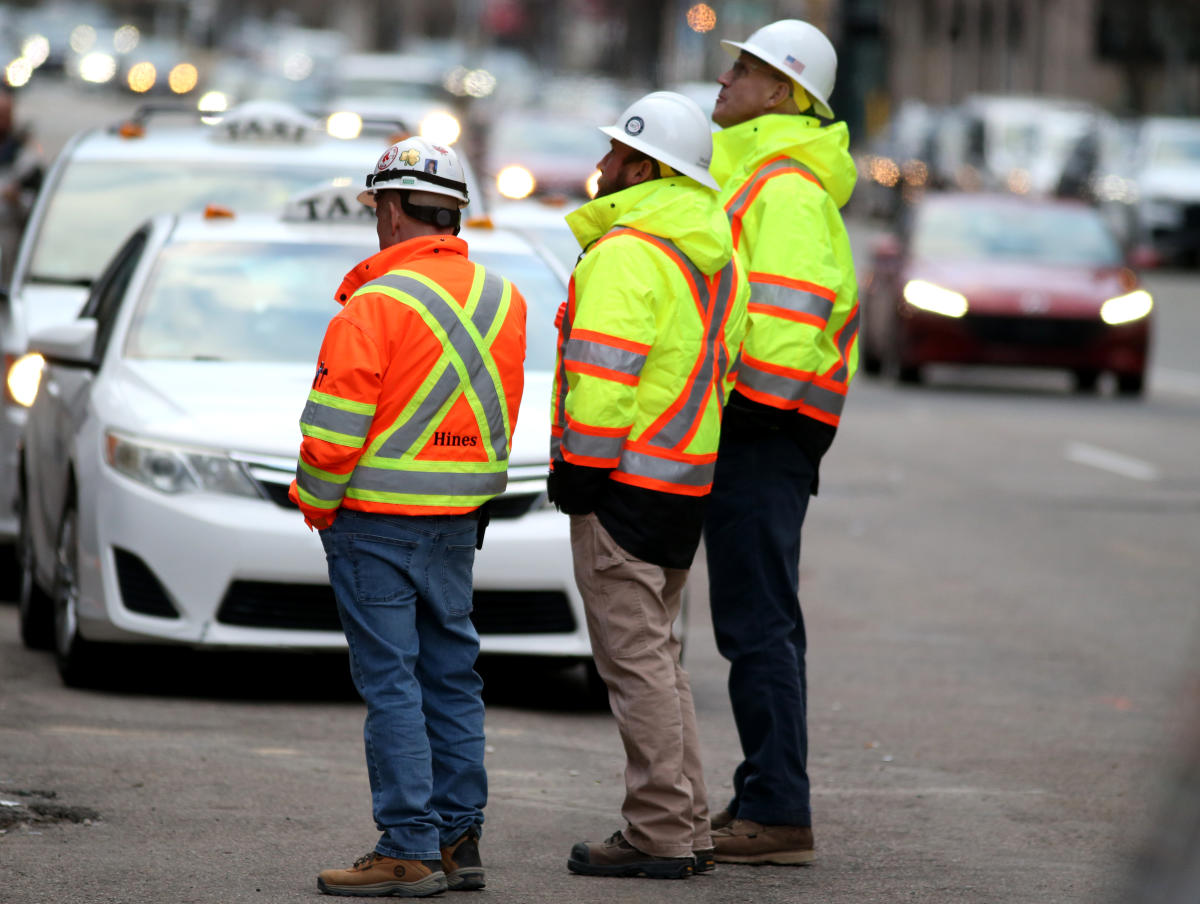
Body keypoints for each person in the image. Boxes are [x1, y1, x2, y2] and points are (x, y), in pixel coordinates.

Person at [288, 137, 527, 897]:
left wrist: (318, 510)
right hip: (458, 521)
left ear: (391, 212)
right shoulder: (504, 298)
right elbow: (498, 416)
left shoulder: (374, 305)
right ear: (452, 213)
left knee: (392, 682)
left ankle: (407, 847)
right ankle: (461, 841)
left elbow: (330, 437)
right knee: (452, 678)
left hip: (376, 524)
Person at [549, 91, 749, 879]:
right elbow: (718, 366)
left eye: (614, 153)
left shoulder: (628, 252)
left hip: (623, 487)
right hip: (681, 483)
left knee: (636, 669)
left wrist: (581, 471)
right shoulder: (709, 251)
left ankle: (659, 831)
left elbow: (603, 378)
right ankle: (688, 825)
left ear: (646, 166)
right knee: (658, 665)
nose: (599, 167)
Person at [703, 19, 860, 865]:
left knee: (760, 620)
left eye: (748, 68)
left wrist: (735, 419)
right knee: (751, 618)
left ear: (787, 94)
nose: (725, 78)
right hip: (758, 428)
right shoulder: (759, 177)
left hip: (762, 431)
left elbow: (788, 330)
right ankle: (762, 792)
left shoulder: (785, 189)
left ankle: (779, 810)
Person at [0, 86, 42, 283]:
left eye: (4, 114)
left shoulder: (26, 160)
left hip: (9, 249)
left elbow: (40, 209)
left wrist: (18, 199)